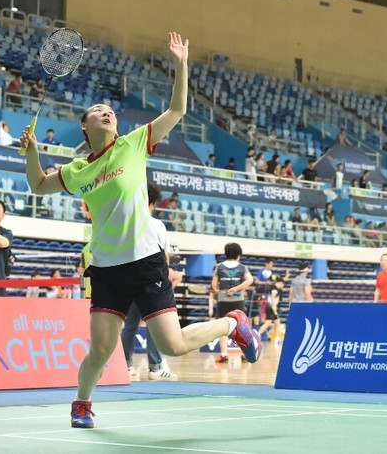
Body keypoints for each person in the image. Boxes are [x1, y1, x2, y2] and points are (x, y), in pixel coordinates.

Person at [20, 32, 261, 429]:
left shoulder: (132, 144)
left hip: (146, 262)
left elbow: (177, 109)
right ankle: (82, 404)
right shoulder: (77, 170)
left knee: (174, 345)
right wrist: (32, 153)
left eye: (109, 109)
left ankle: (233, 322)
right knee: (100, 349)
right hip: (107, 268)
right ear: (84, 126)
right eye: (98, 110)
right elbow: (37, 185)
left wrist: (181, 64)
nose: (106, 112)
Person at [121, 184, 179, 381]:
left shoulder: (126, 223)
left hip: (128, 281)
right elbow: (165, 259)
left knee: (130, 326)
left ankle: (126, 367)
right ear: (153, 203)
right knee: (155, 326)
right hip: (152, 285)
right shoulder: (158, 225)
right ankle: (155, 368)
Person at [211, 242, 254, 363]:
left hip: (222, 300)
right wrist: (236, 289)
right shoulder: (242, 267)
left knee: (222, 327)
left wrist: (220, 291)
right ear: (239, 254)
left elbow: (214, 285)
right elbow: (250, 280)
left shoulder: (219, 267)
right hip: (238, 300)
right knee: (242, 327)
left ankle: (224, 354)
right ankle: (244, 354)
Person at [257, 274, 285, 345]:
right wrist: (274, 306)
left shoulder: (275, 288)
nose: (283, 286)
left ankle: (258, 334)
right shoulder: (274, 288)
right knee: (276, 322)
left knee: (270, 322)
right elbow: (272, 297)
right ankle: (276, 338)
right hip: (271, 307)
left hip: (269, 307)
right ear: (280, 283)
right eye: (283, 284)